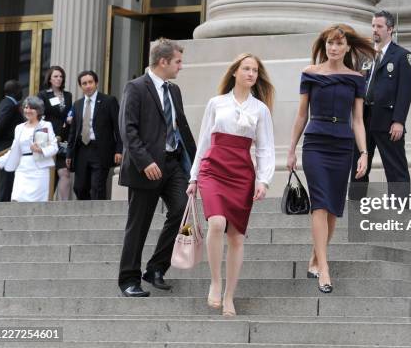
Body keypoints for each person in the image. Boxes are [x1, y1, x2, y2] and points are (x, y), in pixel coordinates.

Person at [187, 53, 275, 317]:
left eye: (255, 71)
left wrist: (264, 180)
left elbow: (265, 148)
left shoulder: (260, 109)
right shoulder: (216, 103)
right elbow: (203, 141)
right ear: (235, 72)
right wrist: (193, 176)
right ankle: (215, 282)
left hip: (241, 174)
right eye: (246, 69)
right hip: (213, 169)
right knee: (216, 223)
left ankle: (229, 297)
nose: (251, 74)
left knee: (236, 238)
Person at [287, 24, 372, 293]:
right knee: (320, 204)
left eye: (338, 43)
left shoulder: (356, 78)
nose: (334, 48)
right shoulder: (310, 74)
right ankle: (324, 268)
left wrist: (364, 153)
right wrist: (291, 149)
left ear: (347, 47)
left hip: (342, 144)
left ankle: (315, 257)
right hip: (316, 142)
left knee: (334, 208)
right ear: (324, 46)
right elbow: (302, 114)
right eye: (329, 43)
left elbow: (358, 120)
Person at [118, 38, 197, 298]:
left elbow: (181, 128)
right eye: (178, 61)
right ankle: (129, 279)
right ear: (163, 61)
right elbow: (128, 130)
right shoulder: (136, 87)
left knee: (182, 211)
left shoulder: (174, 90)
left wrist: (197, 166)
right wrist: (145, 161)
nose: (181, 67)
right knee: (138, 225)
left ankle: (156, 268)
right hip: (146, 168)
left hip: (174, 165)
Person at [349, 10, 411, 199]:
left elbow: (405, 91)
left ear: (390, 29)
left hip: (388, 121)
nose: (375, 30)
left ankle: (400, 215)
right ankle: (357, 212)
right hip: (364, 119)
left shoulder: (402, 56)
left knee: (396, 171)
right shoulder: (365, 56)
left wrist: (399, 121)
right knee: (358, 168)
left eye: (379, 26)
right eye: (373, 26)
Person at [0, 96, 58, 201]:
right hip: (22, 168)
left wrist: (41, 150)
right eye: (26, 107)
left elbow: (54, 147)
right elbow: (13, 150)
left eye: (31, 108)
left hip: (39, 170)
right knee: (18, 198)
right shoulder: (19, 128)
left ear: (38, 110)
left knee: (37, 203)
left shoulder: (46, 125)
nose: (28, 110)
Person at [66, 70, 122, 200]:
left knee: (97, 186)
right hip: (82, 150)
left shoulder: (109, 101)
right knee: (79, 187)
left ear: (96, 83)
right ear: (81, 86)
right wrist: (69, 153)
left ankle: (97, 216)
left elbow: (118, 127)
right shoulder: (77, 104)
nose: (88, 86)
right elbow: (73, 131)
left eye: (90, 82)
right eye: (84, 83)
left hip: (100, 149)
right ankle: (85, 215)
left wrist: (119, 150)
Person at [38, 66, 73, 200]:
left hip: (64, 139)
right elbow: (39, 116)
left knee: (65, 172)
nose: (59, 79)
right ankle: (45, 204)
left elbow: (69, 113)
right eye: (56, 76)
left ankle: (63, 207)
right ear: (50, 79)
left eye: (61, 76)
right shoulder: (43, 95)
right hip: (48, 139)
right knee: (48, 174)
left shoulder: (68, 95)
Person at [0, 80, 24, 201]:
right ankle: (2, 205)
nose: (22, 93)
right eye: (20, 90)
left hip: (5, 146)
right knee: (6, 180)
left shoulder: (5, 103)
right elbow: (0, 126)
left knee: (8, 180)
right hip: (5, 147)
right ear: (15, 91)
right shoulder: (9, 105)